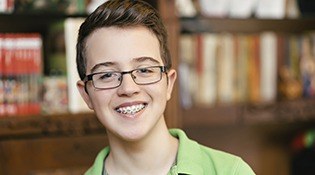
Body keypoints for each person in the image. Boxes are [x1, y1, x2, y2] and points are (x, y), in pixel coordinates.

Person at [76, 0, 256, 174]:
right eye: (107, 75)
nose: (128, 88)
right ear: (86, 94)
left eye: (145, 70)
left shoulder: (231, 171)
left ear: (169, 83)